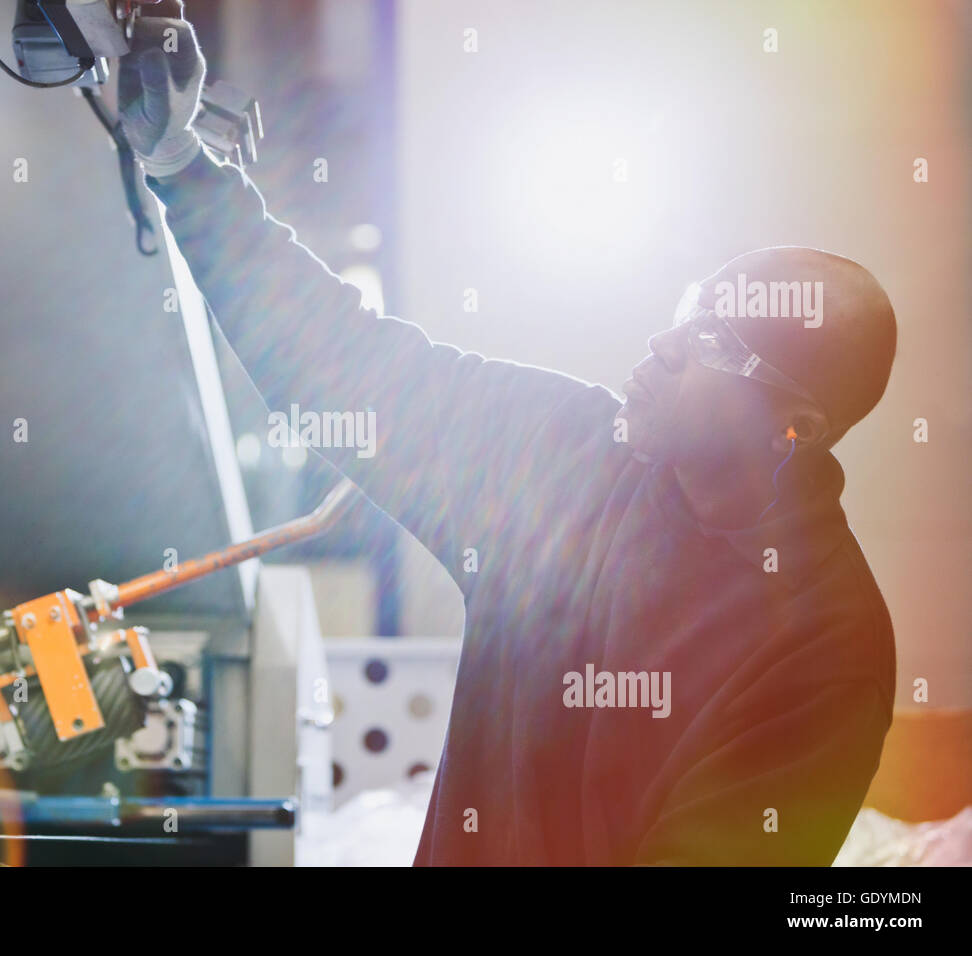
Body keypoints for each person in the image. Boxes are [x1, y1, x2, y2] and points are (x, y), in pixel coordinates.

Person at [116, 19, 898, 865]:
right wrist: (180, 163)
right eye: (686, 314)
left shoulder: (828, 645)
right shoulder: (564, 455)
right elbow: (344, 363)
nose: (667, 346)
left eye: (716, 343)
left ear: (800, 426)